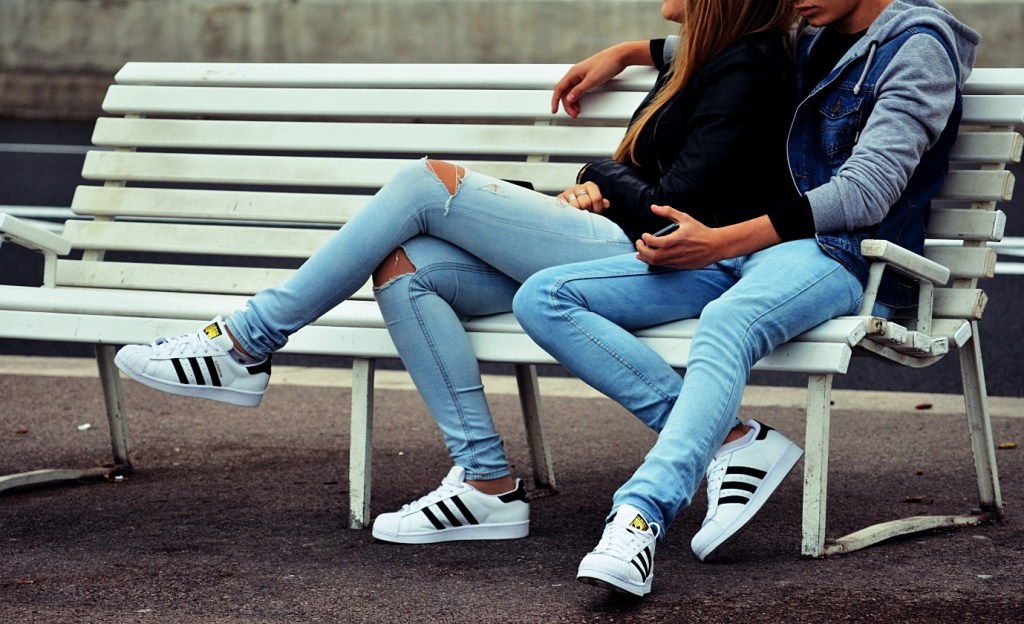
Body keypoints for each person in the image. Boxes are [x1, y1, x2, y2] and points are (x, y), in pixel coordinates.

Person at [113, 0, 799, 546]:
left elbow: (672, 210)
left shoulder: (749, 67)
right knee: (407, 269)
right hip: (612, 244)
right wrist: (626, 52)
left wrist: (597, 176)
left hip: (653, 259)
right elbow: (697, 55)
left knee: (424, 184)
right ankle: (488, 486)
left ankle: (245, 341)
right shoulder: (713, 54)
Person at [513, 0, 978, 598]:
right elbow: (727, 46)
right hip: (749, 248)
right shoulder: (813, 32)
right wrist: (629, 53)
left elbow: (867, 191)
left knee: (726, 321)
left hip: (845, 258)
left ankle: (639, 517)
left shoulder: (917, 48)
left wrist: (720, 242)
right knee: (546, 297)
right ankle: (735, 441)